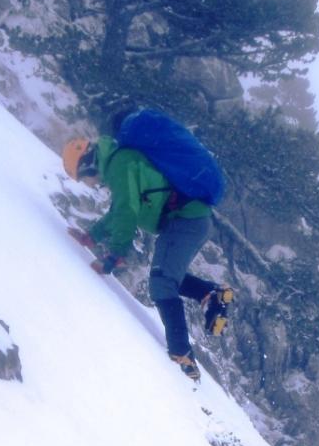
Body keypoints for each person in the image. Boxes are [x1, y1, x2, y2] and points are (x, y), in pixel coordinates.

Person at [61, 133, 232, 381]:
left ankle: (181, 353)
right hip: (190, 219)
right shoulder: (119, 163)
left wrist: (115, 254)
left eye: (84, 178)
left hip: (186, 220)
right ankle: (210, 294)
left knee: (162, 282)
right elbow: (118, 211)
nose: (90, 183)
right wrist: (91, 237)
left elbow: (127, 211)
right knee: (167, 274)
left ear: (87, 165)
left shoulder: (119, 164)